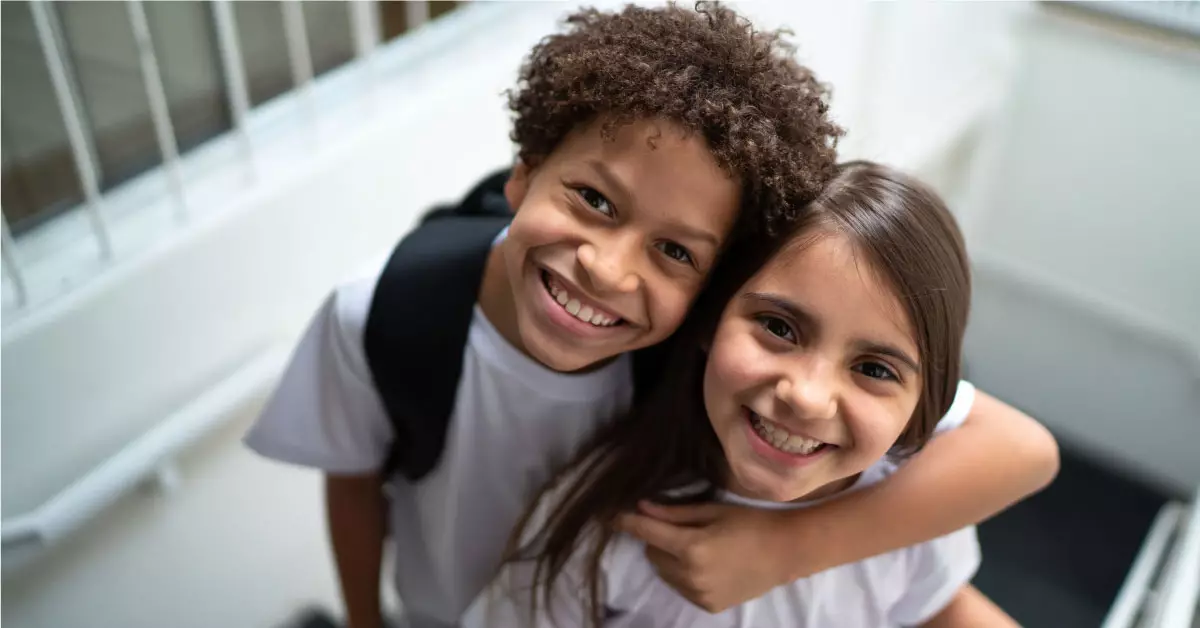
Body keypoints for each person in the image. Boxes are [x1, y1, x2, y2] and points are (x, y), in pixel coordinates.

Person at [245, 5, 1056, 628]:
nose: (608, 268)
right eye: (593, 201)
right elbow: (352, 484)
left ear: (713, 294)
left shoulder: (751, 355)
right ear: (524, 172)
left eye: (676, 252)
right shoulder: (384, 313)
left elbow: (1017, 453)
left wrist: (785, 548)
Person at [465, 161, 1022, 627]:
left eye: (874, 369)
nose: (807, 397)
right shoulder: (596, 524)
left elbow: (935, 607)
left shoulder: (909, 513)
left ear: (925, 400)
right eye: (779, 328)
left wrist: (790, 549)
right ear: (710, 319)